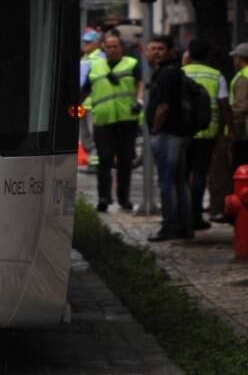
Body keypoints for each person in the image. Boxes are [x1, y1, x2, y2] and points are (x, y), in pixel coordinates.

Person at [82, 31, 141, 212]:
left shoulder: (132, 64)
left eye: (116, 46)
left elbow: (142, 84)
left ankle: (124, 199)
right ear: (104, 48)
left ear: (121, 48)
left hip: (126, 121)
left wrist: (139, 101)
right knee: (104, 161)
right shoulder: (96, 67)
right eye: (109, 46)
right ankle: (103, 198)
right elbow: (85, 90)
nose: (113, 49)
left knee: (125, 162)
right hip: (103, 122)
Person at [181, 39, 233, 230]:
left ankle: (182, 215)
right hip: (207, 131)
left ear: (189, 53)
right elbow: (224, 105)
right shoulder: (216, 75)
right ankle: (196, 216)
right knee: (200, 173)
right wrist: (229, 130)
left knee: (183, 174)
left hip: (183, 131)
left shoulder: (181, 73)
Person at [145, 35, 193, 241]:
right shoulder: (169, 72)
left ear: (170, 51)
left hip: (168, 135)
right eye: (152, 48)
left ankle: (170, 225)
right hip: (176, 134)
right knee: (178, 180)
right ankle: (184, 225)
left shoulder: (167, 74)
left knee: (167, 181)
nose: (155, 52)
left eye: (160, 49)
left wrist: (155, 129)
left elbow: (163, 107)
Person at [79, 29, 105, 171]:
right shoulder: (85, 58)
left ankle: (96, 163)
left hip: (93, 103)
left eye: (89, 42)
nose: (85, 44)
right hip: (82, 103)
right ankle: (92, 160)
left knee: (93, 134)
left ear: (97, 43)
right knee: (84, 135)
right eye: (84, 41)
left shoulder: (100, 58)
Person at [231, 42, 248, 172]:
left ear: (240, 58)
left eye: (235, 57)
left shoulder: (243, 76)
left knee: (241, 168)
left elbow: (241, 107)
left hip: (244, 132)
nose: (234, 60)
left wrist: (233, 128)